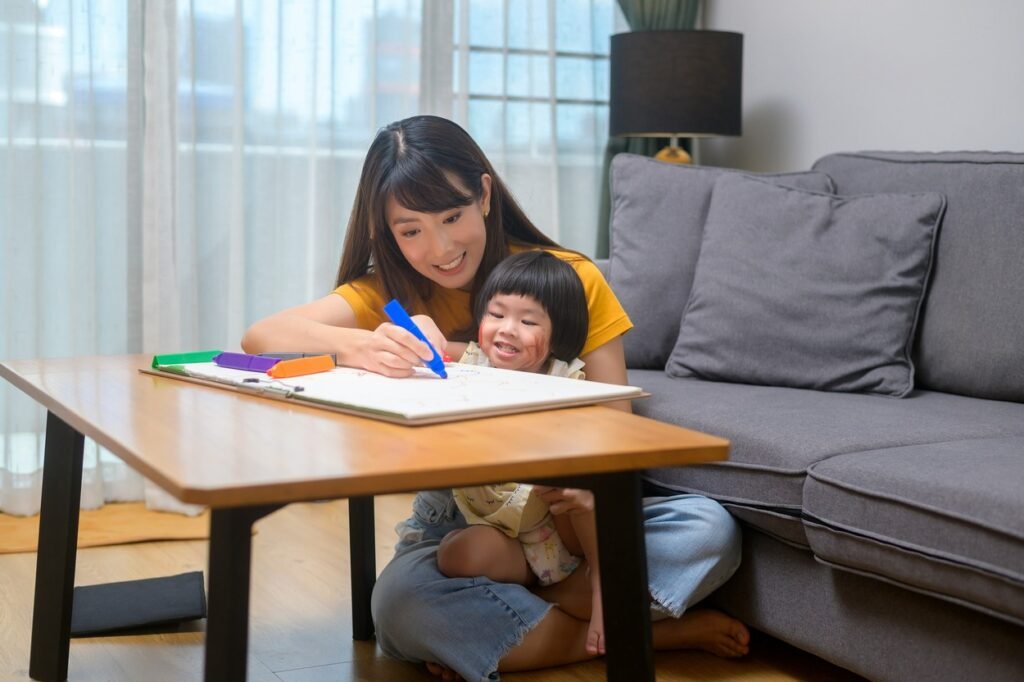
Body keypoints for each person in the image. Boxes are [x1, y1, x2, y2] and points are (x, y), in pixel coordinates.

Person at [241, 115, 749, 680]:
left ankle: (525, 625)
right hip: (462, 522)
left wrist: (586, 516)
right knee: (396, 609)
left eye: (452, 217)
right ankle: (636, 632)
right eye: (410, 231)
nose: (439, 248)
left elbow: (615, 424)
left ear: (484, 194)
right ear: (387, 233)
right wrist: (361, 343)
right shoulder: (389, 291)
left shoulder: (568, 279)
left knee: (709, 531)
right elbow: (262, 336)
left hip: (572, 516)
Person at [438, 250, 607, 655]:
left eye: (528, 321)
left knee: (572, 478)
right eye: (496, 315)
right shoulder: (470, 365)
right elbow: (431, 357)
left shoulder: (566, 382)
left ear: (558, 333)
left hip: (561, 531)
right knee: (452, 555)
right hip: (506, 538)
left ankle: (603, 584)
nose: (506, 330)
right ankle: (553, 598)